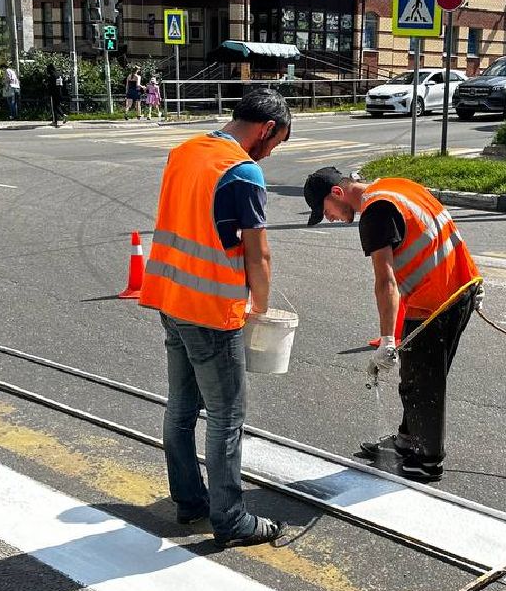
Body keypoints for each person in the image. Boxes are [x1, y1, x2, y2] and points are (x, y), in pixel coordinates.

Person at [138, 86, 293, 546]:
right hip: (210, 311)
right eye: (277, 142)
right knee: (227, 416)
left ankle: (190, 501)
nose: (271, 153)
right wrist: (259, 310)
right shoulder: (243, 173)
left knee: (182, 408)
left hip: (171, 298)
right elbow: (257, 253)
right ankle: (231, 520)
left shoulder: (185, 152)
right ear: (266, 130)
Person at [303, 166, 482, 484]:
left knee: (423, 384)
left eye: (325, 211)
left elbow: (385, 281)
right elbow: (443, 226)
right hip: (460, 290)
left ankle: (427, 462)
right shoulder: (396, 187)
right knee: (416, 377)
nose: (329, 218)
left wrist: (388, 339)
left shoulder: (376, 211)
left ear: (337, 193)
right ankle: (406, 440)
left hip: (434, 303)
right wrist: (473, 279)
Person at [45, 61, 65, 127]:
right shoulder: (59, 74)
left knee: (54, 107)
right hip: (60, 92)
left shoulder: (52, 76)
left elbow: (50, 85)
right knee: (57, 106)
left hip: (53, 93)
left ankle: (55, 121)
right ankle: (63, 115)